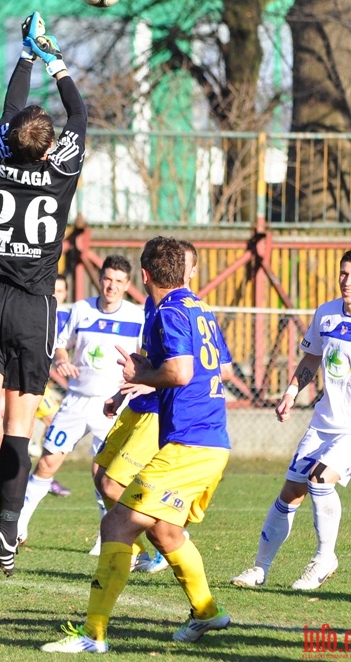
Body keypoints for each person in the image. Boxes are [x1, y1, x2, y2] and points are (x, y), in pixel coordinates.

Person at [0, 12, 87, 578]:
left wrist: (25, 54)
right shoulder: (61, 169)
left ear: (13, 140)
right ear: (50, 145)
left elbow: (10, 111)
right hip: (33, 308)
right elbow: (77, 111)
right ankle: (8, 532)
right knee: (20, 426)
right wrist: (55, 57)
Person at [41, 236, 233, 653]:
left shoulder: (168, 312)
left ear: (143, 275)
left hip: (190, 444)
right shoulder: (198, 307)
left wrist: (143, 376)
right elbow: (205, 366)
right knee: (164, 531)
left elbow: (181, 373)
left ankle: (93, 635)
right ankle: (207, 612)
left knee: (116, 524)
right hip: (209, 440)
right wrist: (142, 372)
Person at [231, 247, 351, 591]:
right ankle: (260, 568)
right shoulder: (327, 314)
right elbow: (311, 359)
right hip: (323, 422)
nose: (348, 281)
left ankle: (324, 558)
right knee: (290, 493)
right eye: (344, 274)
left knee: (319, 480)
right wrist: (290, 393)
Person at [16, 255, 144, 545]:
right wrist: (61, 361)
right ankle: (19, 527)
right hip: (76, 400)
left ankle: (106, 539)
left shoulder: (136, 317)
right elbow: (61, 344)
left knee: (105, 475)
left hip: (112, 405)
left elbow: (144, 358)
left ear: (127, 286)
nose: (111, 286)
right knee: (48, 462)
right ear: (99, 280)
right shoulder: (82, 309)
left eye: (119, 282)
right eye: (107, 279)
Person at [92, 240, 199, 573]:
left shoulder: (184, 310)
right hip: (138, 402)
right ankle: (148, 538)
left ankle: (159, 540)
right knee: (99, 475)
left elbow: (202, 368)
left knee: (112, 484)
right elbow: (149, 360)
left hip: (157, 409)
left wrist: (151, 380)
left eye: (187, 265)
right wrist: (123, 392)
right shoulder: (154, 307)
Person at [30, 274, 73, 497]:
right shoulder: (37, 313)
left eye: (61, 290)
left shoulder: (69, 317)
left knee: (53, 422)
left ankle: (45, 476)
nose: (57, 294)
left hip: (45, 384)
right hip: (29, 378)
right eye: (53, 289)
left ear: (66, 294)